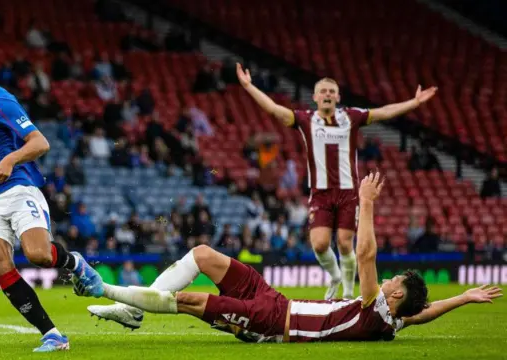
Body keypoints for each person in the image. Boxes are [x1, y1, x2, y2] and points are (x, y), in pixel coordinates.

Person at [73, 172, 502, 343]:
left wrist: (366, 202)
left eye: (395, 286)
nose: (388, 282)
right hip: (275, 299)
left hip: (271, 323)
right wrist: (462, 298)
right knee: (202, 254)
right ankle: (130, 311)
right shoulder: (395, 319)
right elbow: (423, 313)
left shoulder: (376, 310)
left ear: (392, 299)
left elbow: (366, 253)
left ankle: (107, 290)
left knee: (189, 302)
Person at [0, 48, 101, 352]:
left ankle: (75, 263)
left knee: (38, 255)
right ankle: (52, 334)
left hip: (17, 190)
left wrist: (11, 158)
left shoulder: (0, 102)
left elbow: (40, 142)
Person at [236, 64, 438, 299]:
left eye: (332, 91)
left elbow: (383, 112)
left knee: (344, 243)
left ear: (338, 97)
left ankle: (349, 293)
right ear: (315, 97)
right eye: (323, 91)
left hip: (347, 192)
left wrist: (414, 103)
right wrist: (249, 86)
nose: (328, 95)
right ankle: (334, 275)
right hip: (320, 193)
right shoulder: (305, 119)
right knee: (320, 244)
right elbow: (274, 109)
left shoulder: (350, 117)